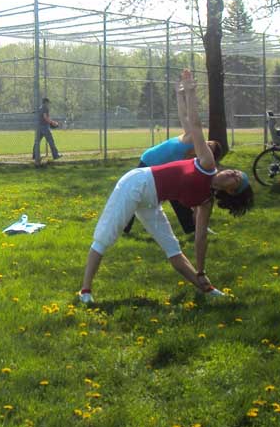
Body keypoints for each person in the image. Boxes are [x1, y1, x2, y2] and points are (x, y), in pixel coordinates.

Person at [77, 69, 253, 305]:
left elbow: (201, 238)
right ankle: (85, 291)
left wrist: (201, 270)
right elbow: (195, 126)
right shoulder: (207, 163)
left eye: (236, 179)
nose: (233, 172)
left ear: (231, 192)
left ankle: (207, 289)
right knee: (106, 235)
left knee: (173, 248)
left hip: (151, 201)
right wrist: (190, 93)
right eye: (235, 171)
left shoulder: (206, 202)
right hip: (136, 183)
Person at [123, 75, 223, 235]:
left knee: (177, 196)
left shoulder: (194, 160)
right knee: (134, 195)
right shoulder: (192, 137)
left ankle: (191, 228)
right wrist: (180, 94)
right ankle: (124, 227)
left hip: (158, 168)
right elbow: (184, 115)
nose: (206, 143)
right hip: (148, 160)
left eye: (210, 146)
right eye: (209, 142)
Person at [32, 97, 61, 163]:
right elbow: (45, 117)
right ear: (46, 102)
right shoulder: (45, 107)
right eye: (48, 103)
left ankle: (35, 156)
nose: (48, 104)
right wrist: (53, 123)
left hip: (39, 127)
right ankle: (55, 155)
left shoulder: (40, 107)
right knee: (51, 141)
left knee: (37, 142)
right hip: (44, 127)